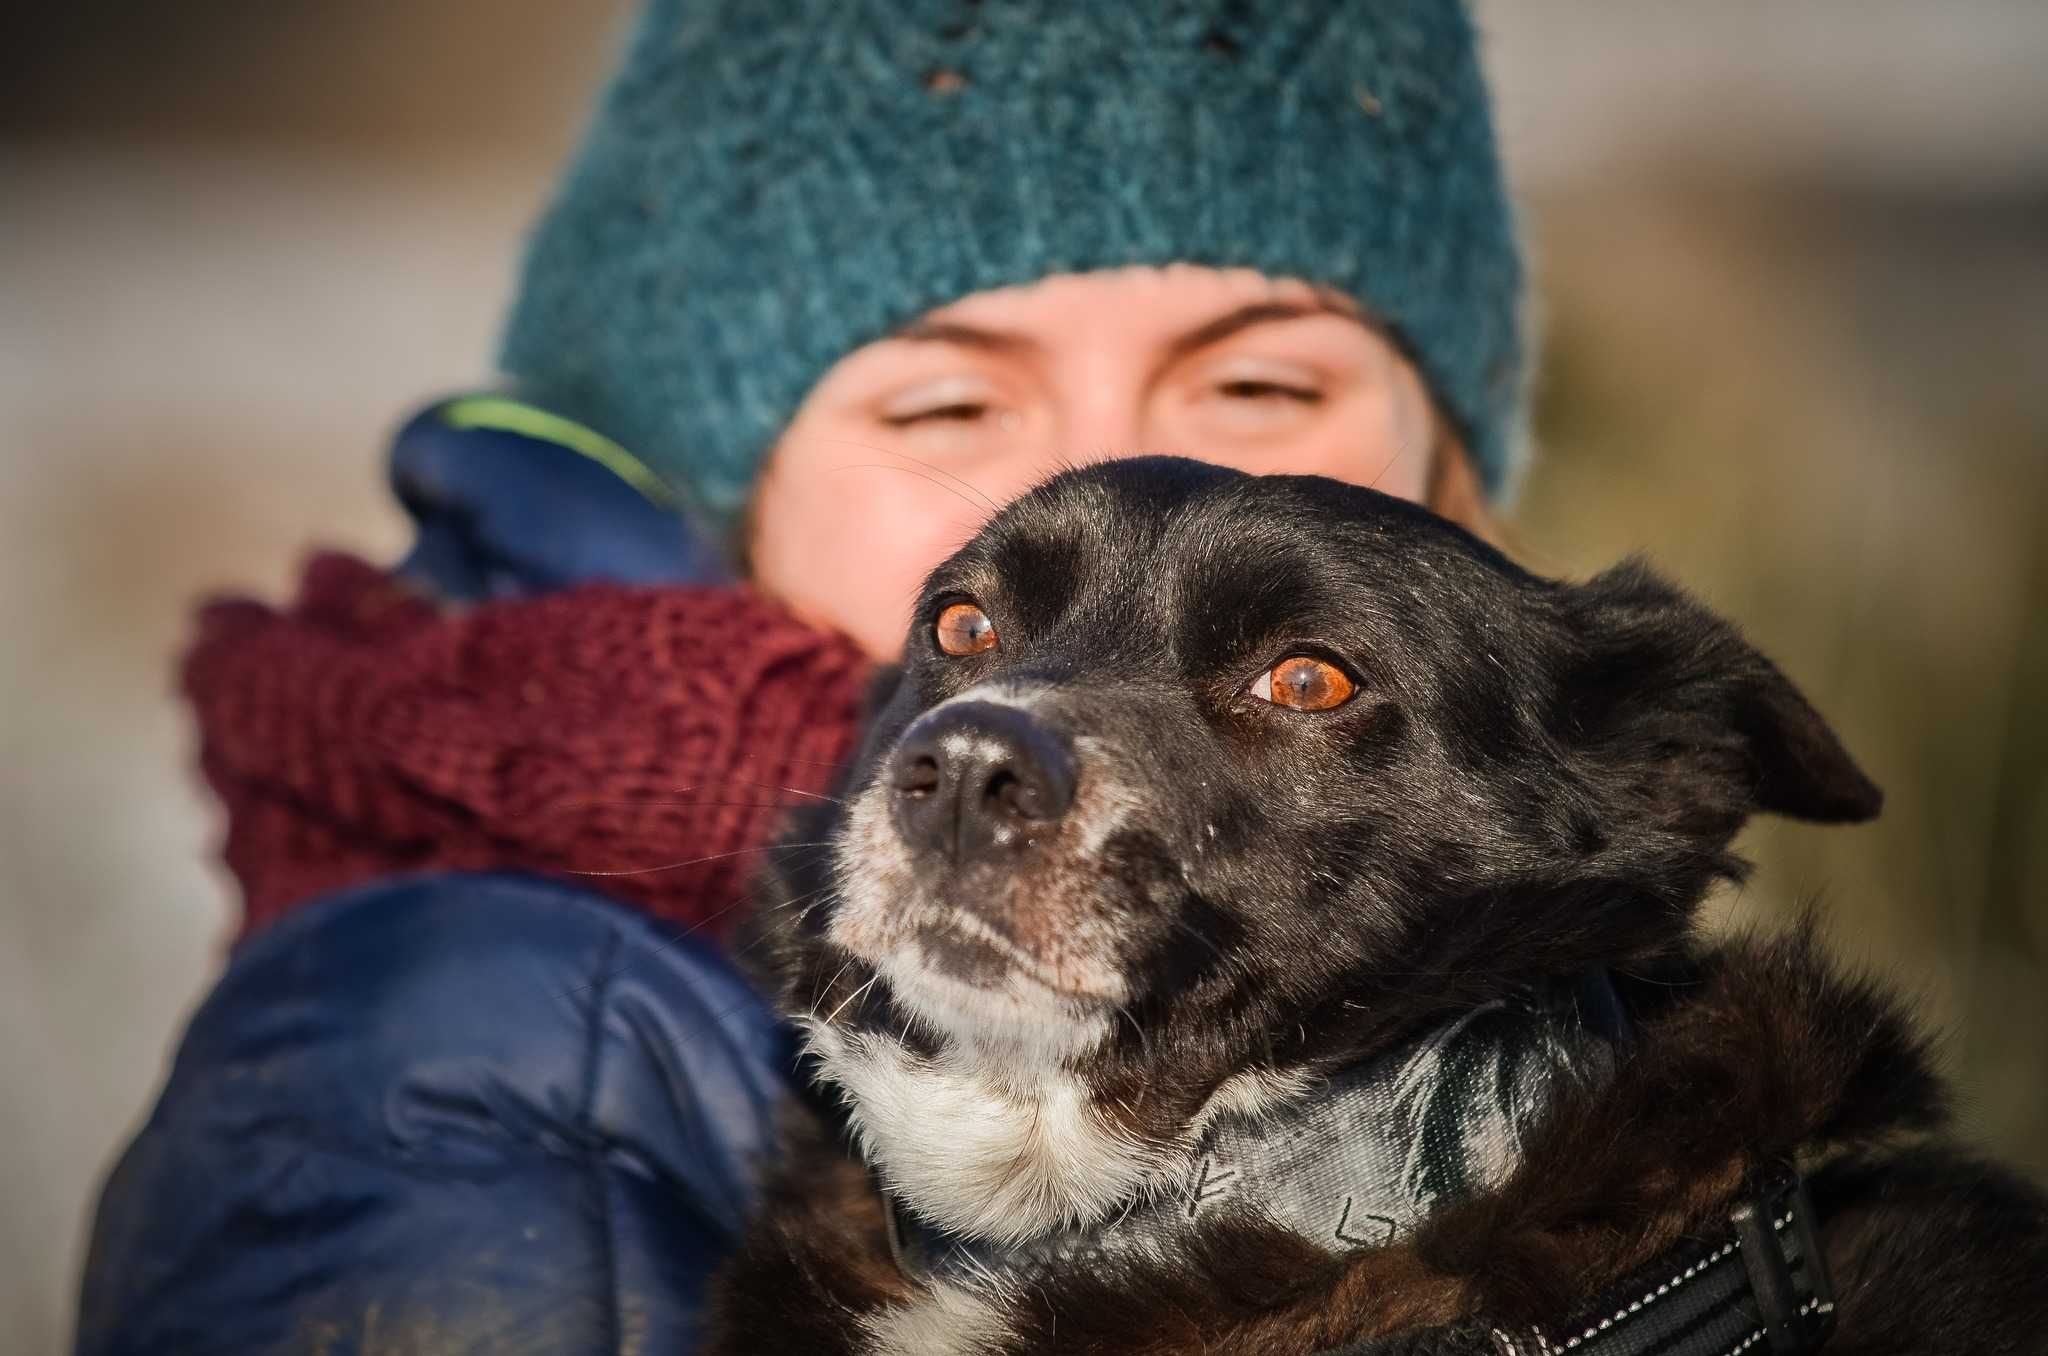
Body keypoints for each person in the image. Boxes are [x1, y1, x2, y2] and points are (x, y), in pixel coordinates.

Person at [74, 1, 1527, 1351]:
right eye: (950, 400)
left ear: (1456, 485)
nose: (1114, 481)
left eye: (1260, 385)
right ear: (722, 497)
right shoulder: (464, 1065)